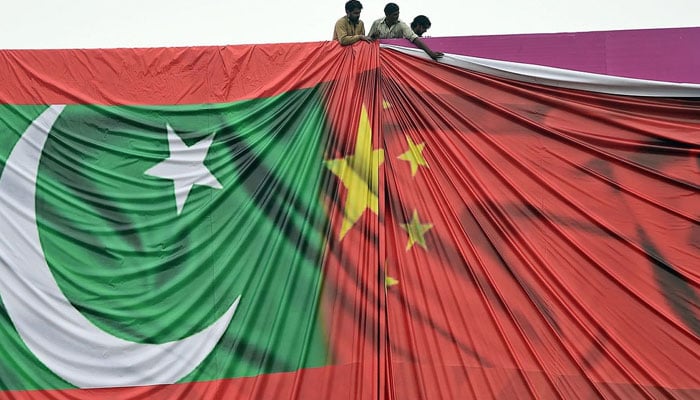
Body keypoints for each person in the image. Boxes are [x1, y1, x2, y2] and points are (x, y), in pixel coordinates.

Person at [368, 3, 443, 60]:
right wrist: (373, 37)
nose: (397, 16)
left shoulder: (401, 25)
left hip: (394, 58)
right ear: (387, 15)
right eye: (395, 15)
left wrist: (430, 53)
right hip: (378, 58)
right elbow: (367, 41)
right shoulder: (376, 23)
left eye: (398, 13)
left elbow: (414, 39)